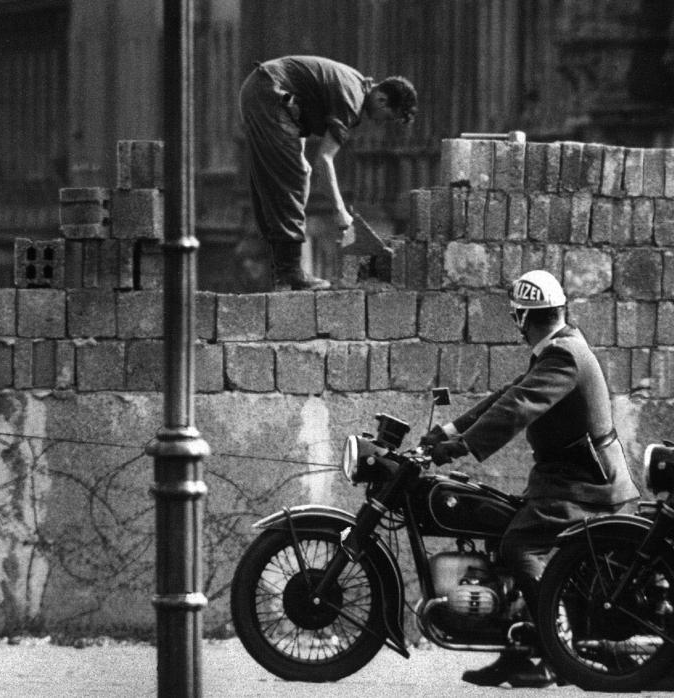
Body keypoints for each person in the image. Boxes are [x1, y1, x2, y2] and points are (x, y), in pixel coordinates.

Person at [421, 269, 641, 687]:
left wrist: (461, 447)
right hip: (568, 479)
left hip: (587, 485)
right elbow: (507, 395)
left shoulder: (563, 355)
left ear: (522, 318)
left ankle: (550, 651)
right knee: (502, 530)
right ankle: (520, 649)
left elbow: (517, 408)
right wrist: (446, 433)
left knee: (520, 546)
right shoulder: (559, 348)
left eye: (517, 319)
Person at [239, 55, 417, 290]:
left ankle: (283, 270)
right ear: (382, 100)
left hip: (265, 91)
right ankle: (290, 272)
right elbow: (325, 159)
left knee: (290, 174)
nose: (381, 124)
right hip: (270, 94)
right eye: (388, 118)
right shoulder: (352, 99)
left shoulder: (357, 83)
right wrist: (341, 212)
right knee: (292, 179)